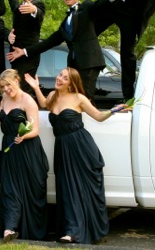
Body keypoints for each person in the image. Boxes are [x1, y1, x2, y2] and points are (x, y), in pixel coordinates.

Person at [24, 68, 126, 244]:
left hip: (80, 147)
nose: (60, 79)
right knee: (66, 188)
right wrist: (35, 87)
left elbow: (98, 116)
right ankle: (71, 229)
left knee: (79, 188)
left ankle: (73, 232)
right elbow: (43, 103)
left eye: (65, 78)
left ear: (72, 83)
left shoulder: (79, 98)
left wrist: (114, 110)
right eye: (60, 75)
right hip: (62, 148)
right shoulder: (53, 96)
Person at [7, 0, 123, 99]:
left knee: (84, 98)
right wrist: (24, 51)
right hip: (73, 65)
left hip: (89, 62)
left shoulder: (86, 7)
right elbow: (49, 42)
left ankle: (88, 117)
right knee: (74, 98)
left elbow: (98, 5)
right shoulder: (66, 21)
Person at [0, 69, 47, 242]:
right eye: (3, 87)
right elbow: (0, 117)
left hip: (26, 149)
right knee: (10, 188)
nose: (6, 90)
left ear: (16, 80)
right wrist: (0, 114)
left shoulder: (28, 101)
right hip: (9, 148)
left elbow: (36, 130)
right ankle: (9, 228)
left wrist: (23, 135)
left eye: (8, 85)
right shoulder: (4, 97)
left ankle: (32, 232)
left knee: (30, 190)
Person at [3, 0, 46, 99]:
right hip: (15, 56)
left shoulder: (38, 4)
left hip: (29, 56)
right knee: (15, 89)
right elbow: (14, 5)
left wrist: (33, 10)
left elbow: (39, 13)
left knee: (24, 91)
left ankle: (27, 117)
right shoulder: (20, 6)